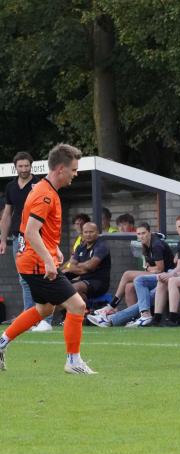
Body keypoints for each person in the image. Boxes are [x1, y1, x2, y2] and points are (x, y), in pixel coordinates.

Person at [0, 143, 97, 374]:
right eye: (73, 170)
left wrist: (53, 249)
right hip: (36, 263)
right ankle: (73, 362)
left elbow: (37, 230)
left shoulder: (45, 189)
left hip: (31, 260)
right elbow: (31, 231)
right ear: (61, 169)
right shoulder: (44, 194)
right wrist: (47, 260)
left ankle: (1, 342)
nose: (75, 174)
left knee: (44, 309)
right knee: (77, 306)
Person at [92, 222, 175, 325]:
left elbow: (160, 269)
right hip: (156, 278)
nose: (141, 236)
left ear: (149, 233)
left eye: (143, 233)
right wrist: (149, 268)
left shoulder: (156, 245)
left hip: (165, 277)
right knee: (129, 287)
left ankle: (111, 312)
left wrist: (148, 268)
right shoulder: (145, 245)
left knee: (128, 275)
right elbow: (150, 267)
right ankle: (134, 319)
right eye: (139, 234)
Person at [0, 152, 39, 313]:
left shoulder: (39, 184)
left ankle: (44, 317)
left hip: (38, 235)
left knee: (41, 276)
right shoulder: (11, 187)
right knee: (23, 277)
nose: (24, 169)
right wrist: (3, 240)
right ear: (15, 167)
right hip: (18, 237)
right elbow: (7, 214)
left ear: (31, 166)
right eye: (20, 166)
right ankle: (29, 315)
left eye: (26, 166)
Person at [61, 222, 111, 304]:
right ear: (82, 233)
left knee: (75, 288)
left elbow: (91, 266)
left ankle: (85, 309)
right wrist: (84, 267)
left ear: (97, 232)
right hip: (84, 280)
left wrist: (79, 265)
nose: (88, 235)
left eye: (91, 232)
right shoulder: (80, 247)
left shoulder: (102, 246)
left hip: (98, 282)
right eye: (86, 232)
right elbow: (72, 266)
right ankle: (66, 310)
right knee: (58, 283)